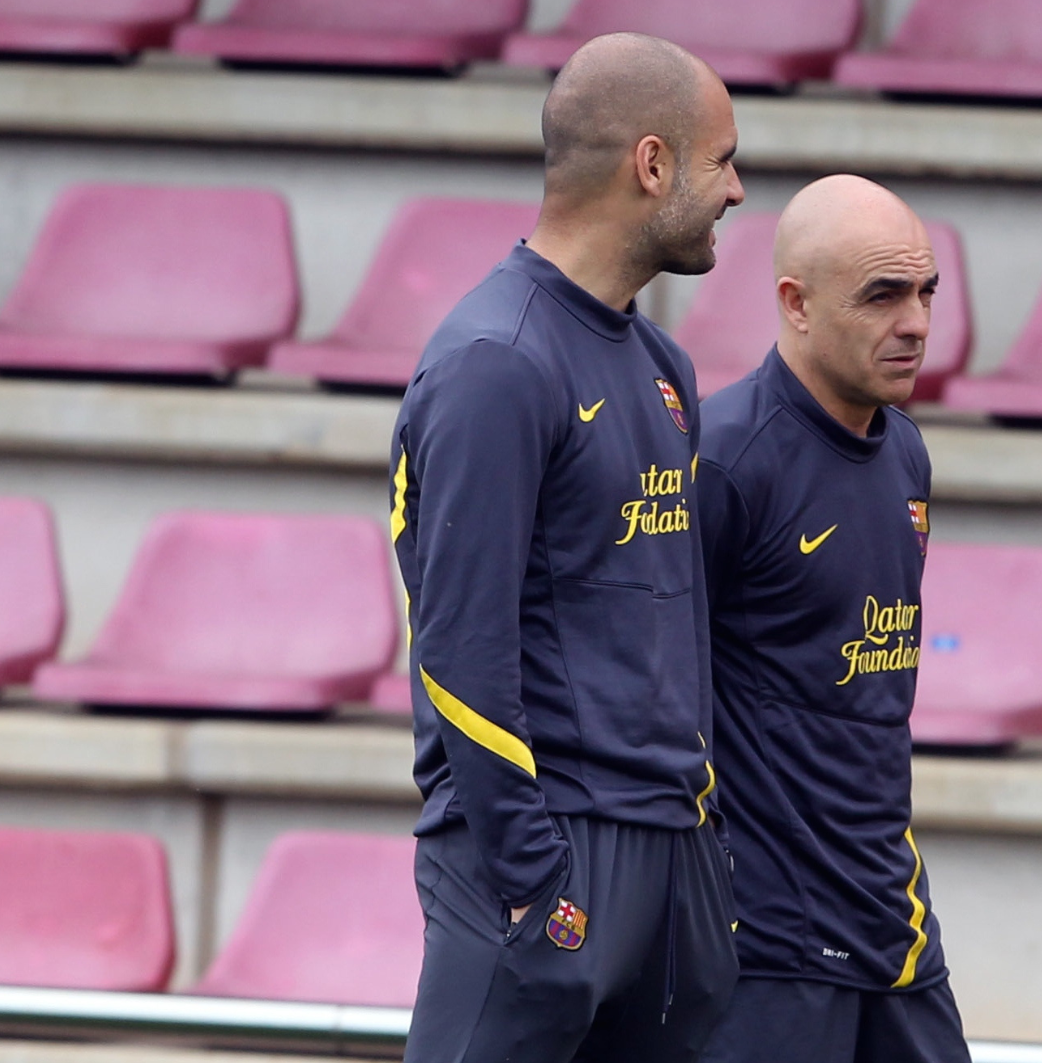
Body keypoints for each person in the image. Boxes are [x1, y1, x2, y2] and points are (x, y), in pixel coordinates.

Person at [391, 31, 746, 1063]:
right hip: (544, 854)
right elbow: (460, 652)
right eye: (722, 159)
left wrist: (700, 848)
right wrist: (537, 878)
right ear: (651, 164)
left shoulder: (663, 364)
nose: (734, 190)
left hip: (670, 860)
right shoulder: (494, 363)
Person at [696, 175, 970, 1063]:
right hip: (768, 945)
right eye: (883, 295)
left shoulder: (906, 451)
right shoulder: (723, 460)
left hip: (893, 919)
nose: (918, 322)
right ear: (796, 303)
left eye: (927, 291)